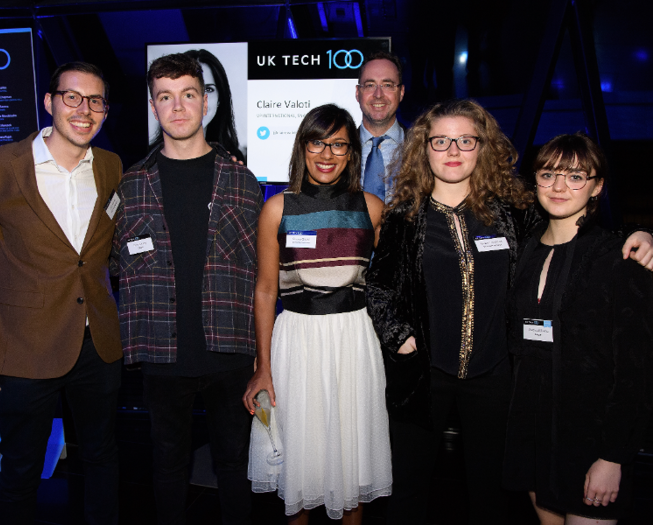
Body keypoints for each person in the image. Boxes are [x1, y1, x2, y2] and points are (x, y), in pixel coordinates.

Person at [365, 99, 653, 525]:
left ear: (483, 147)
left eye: (465, 140)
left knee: (493, 494)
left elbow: (574, 222)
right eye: (441, 141)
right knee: (409, 491)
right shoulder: (402, 219)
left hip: (498, 378)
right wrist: (397, 333)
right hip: (424, 377)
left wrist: (640, 233)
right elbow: (379, 286)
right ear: (423, 149)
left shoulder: (513, 212)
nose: (453, 150)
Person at [0, 62, 122, 525]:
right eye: (72, 97)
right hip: (23, 347)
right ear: (49, 102)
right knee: (22, 471)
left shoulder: (110, 166)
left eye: (95, 101)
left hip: (99, 345)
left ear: (105, 111)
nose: (84, 110)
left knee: (102, 460)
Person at [111, 52, 262, 525]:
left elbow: (262, 270)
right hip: (161, 352)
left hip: (231, 353)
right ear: (155, 107)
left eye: (188, 95)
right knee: (167, 465)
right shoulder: (131, 185)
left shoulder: (243, 180)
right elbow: (116, 262)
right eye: (165, 97)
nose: (178, 107)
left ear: (205, 101)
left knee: (235, 466)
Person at [242, 103, 392, 524]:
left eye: (339, 145)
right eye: (317, 143)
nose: (327, 155)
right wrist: (263, 367)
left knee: (352, 453)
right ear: (302, 147)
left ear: (352, 153)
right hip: (297, 341)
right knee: (300, 460)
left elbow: (389, 284)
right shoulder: (278, 209)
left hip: (354, 339)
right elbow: (266, 290)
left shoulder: (373, 208)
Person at [503, 133, 653, 524]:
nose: (558, 187)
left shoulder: (619, 259)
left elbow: (636, 372)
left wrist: (613, 456)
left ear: (597, 186)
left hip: (591, 440)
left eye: (575, 177)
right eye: (549, 174)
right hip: (534, 434)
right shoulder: (524, 250)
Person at [356, 51, 405, 202]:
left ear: (401, 92)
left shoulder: (423, 148)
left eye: (387, 85)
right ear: (358, 93)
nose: (378, 94)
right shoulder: (337, 150)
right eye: (370, 85)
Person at [183, 49, 245, 163]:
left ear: (220, 98)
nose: (201, 100)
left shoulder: (233, 158)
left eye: (208, 89)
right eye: (190, 91)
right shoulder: (150, 163)